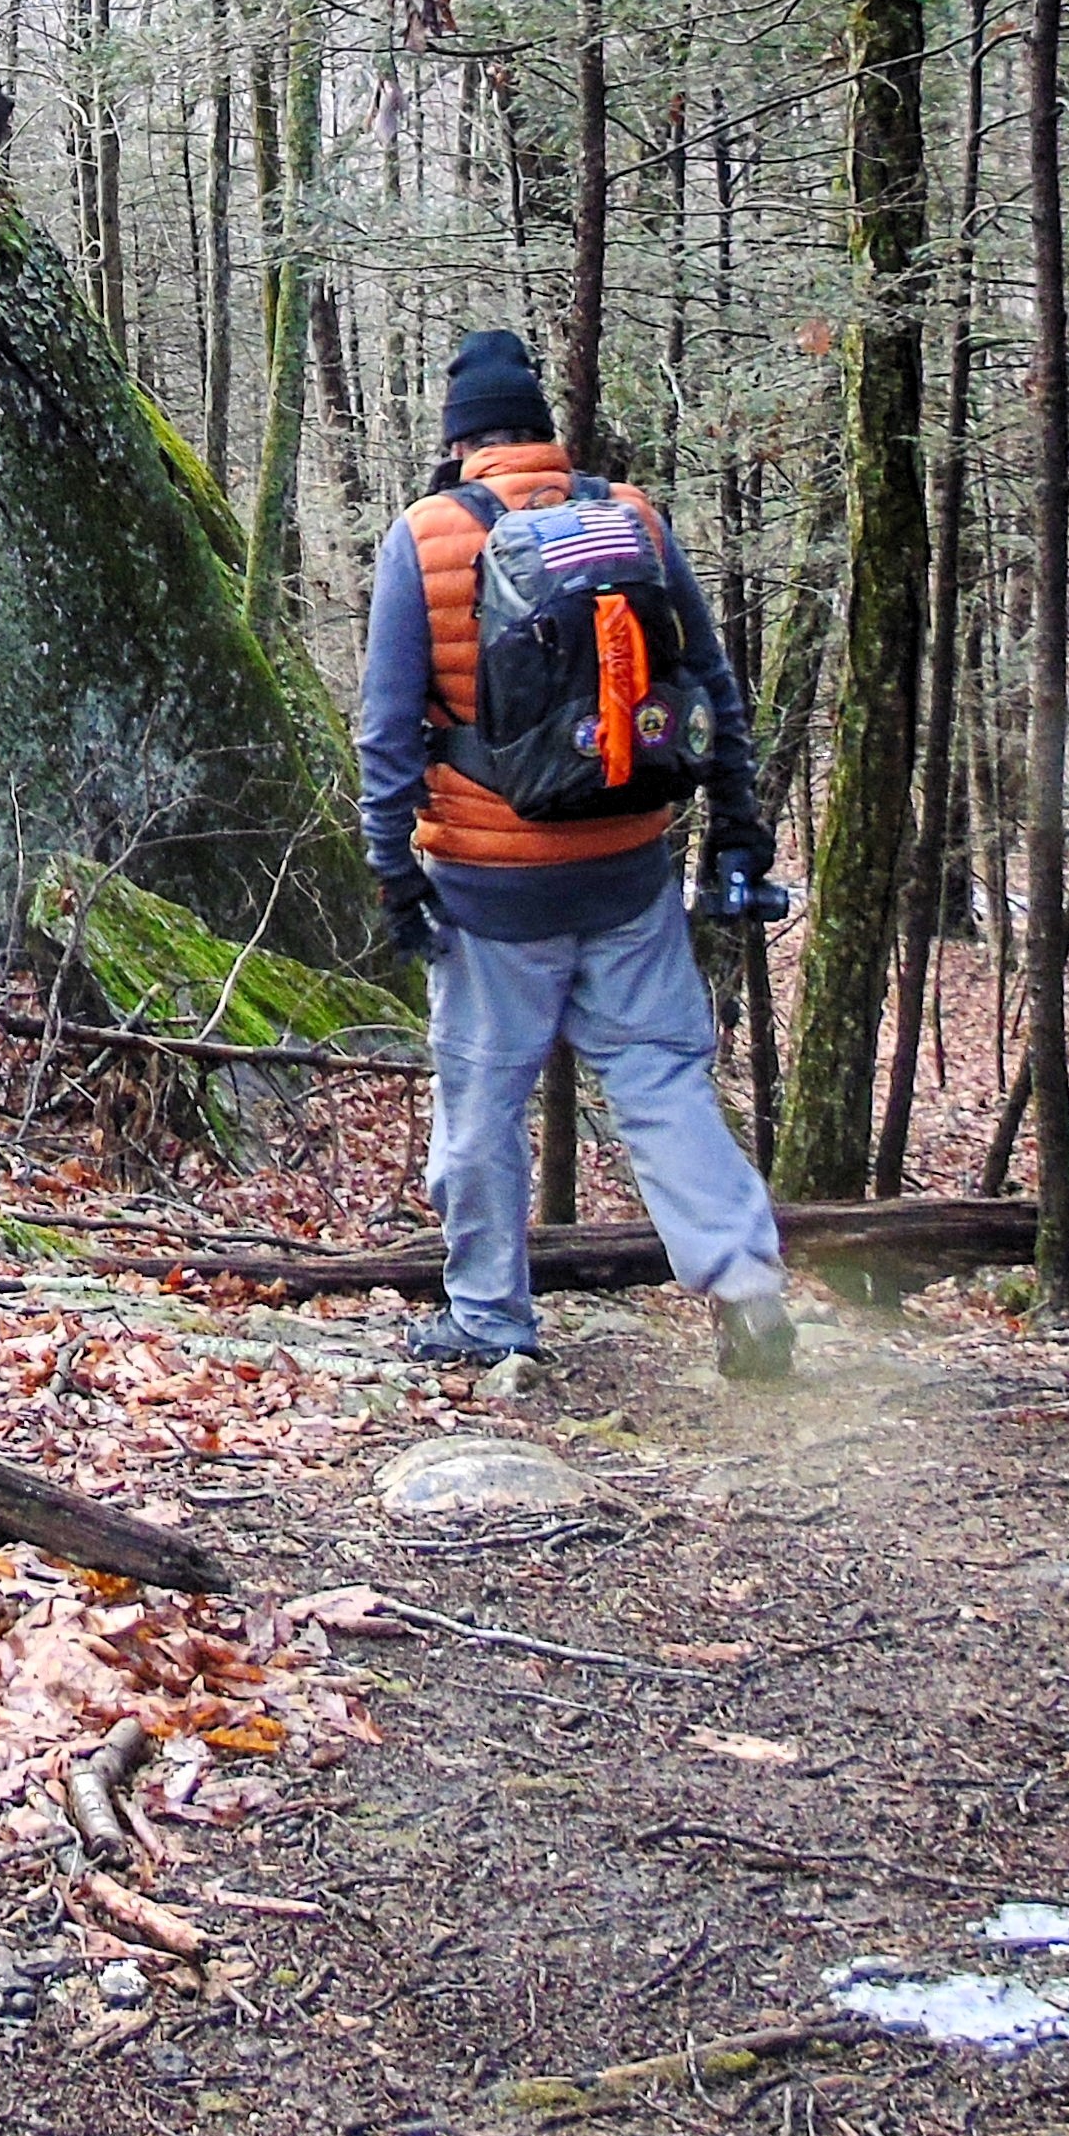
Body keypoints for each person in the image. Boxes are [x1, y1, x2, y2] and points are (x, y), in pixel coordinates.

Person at [354, 326, 801, 1383]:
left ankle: (490, 1317)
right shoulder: (629, 516)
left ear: (460, 440)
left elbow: (382, 733)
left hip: (488, 885)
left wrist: (391, 871)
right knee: (663, 1084)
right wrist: (736, 828)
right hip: (629, 868)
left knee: (481, 1102)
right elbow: (711, 688)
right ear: (543, 434)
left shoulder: (423, 539)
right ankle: (748, 1294)